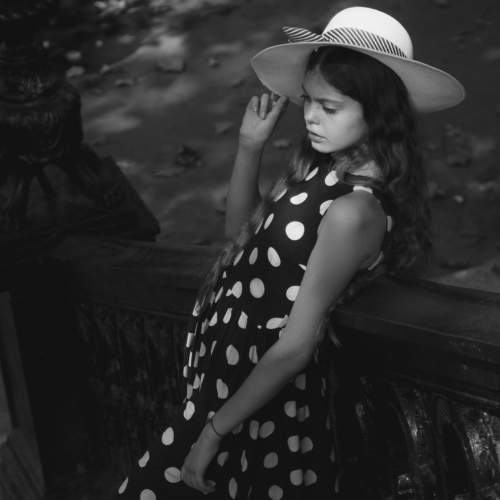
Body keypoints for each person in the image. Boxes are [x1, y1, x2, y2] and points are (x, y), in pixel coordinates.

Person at [114, 6, 464, 499]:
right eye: (308, 100)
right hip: (227, 383)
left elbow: (297, 345)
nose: (311, 116)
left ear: (378, 112)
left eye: (330, 107)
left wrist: (215, 431)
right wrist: (248, 147)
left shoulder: (355, 210)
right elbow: (240, 236)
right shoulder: (322, 168)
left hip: (259, 406)